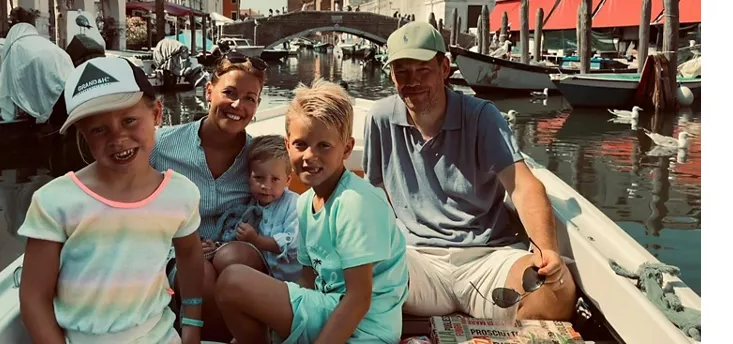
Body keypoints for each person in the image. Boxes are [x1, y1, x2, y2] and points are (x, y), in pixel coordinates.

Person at [363, 21, 577, 321]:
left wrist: (546, 250)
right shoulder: (380, 118)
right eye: (402, 71)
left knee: (557, 291)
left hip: (487, 258)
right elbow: (375, 192)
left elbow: (524, 187)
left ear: (445, 68)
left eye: (423, 70)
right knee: (354, 275)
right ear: (391, 75)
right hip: (415, 260)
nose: (412, 81)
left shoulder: (481, 116)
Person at [17, 57, 204, 343]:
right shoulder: (54, 202)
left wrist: (191, 322)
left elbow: (189, 254)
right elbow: (33, 296)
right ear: (83, 134)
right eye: (98, 129)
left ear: (156, 113)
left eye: (129, 120)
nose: (118, 137)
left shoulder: (181, 194)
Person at [215, 79, 409, 344]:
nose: (309, 156)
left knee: (233, 281)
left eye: (324, 146)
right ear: (287, 146)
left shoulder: (355, 202)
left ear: (347, 149)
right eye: (301, 144)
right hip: (326, 309)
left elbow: (359, 298)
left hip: (366, 329)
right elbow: (307, 279)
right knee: (234, 287)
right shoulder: (305, 204)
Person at [150, 52, 269, 340]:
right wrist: (177, 249)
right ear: (208, 92)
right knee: (199, 274)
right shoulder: (160, 146)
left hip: (237, 250)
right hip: (178, 253)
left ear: (257, 105)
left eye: (250, 98)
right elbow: (137, 207)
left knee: (234, 260)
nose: (238, 105)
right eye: (229, 93)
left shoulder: (260, 157)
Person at [210, 134, 301, 283]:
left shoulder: (294, 204)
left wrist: (256, 240)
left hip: (295, 281)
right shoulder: (250, 207)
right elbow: (235, 235)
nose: (266, 186)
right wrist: (216, 245)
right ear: (248, 177)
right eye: (259, 178)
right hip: (267, 275)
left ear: (287, 180)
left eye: (275, 179)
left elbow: (292, 244)